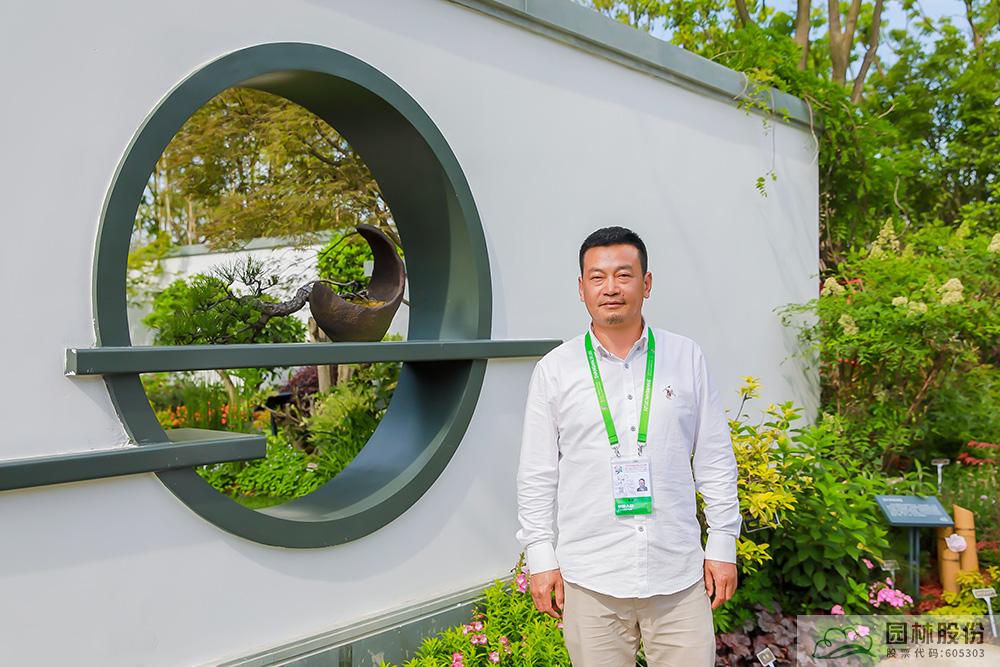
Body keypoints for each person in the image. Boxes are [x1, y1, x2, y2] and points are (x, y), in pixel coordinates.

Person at [516, 226, 741, 666]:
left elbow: (715, 458)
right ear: (581, 288)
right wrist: (541, 557)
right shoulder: (555, 370)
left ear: (646, 283)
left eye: (624, 275)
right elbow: (537, 474)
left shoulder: (686, 358)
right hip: (591, 577)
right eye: (597, 277)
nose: (611, 288)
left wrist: (722, 543)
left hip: (677, 576)